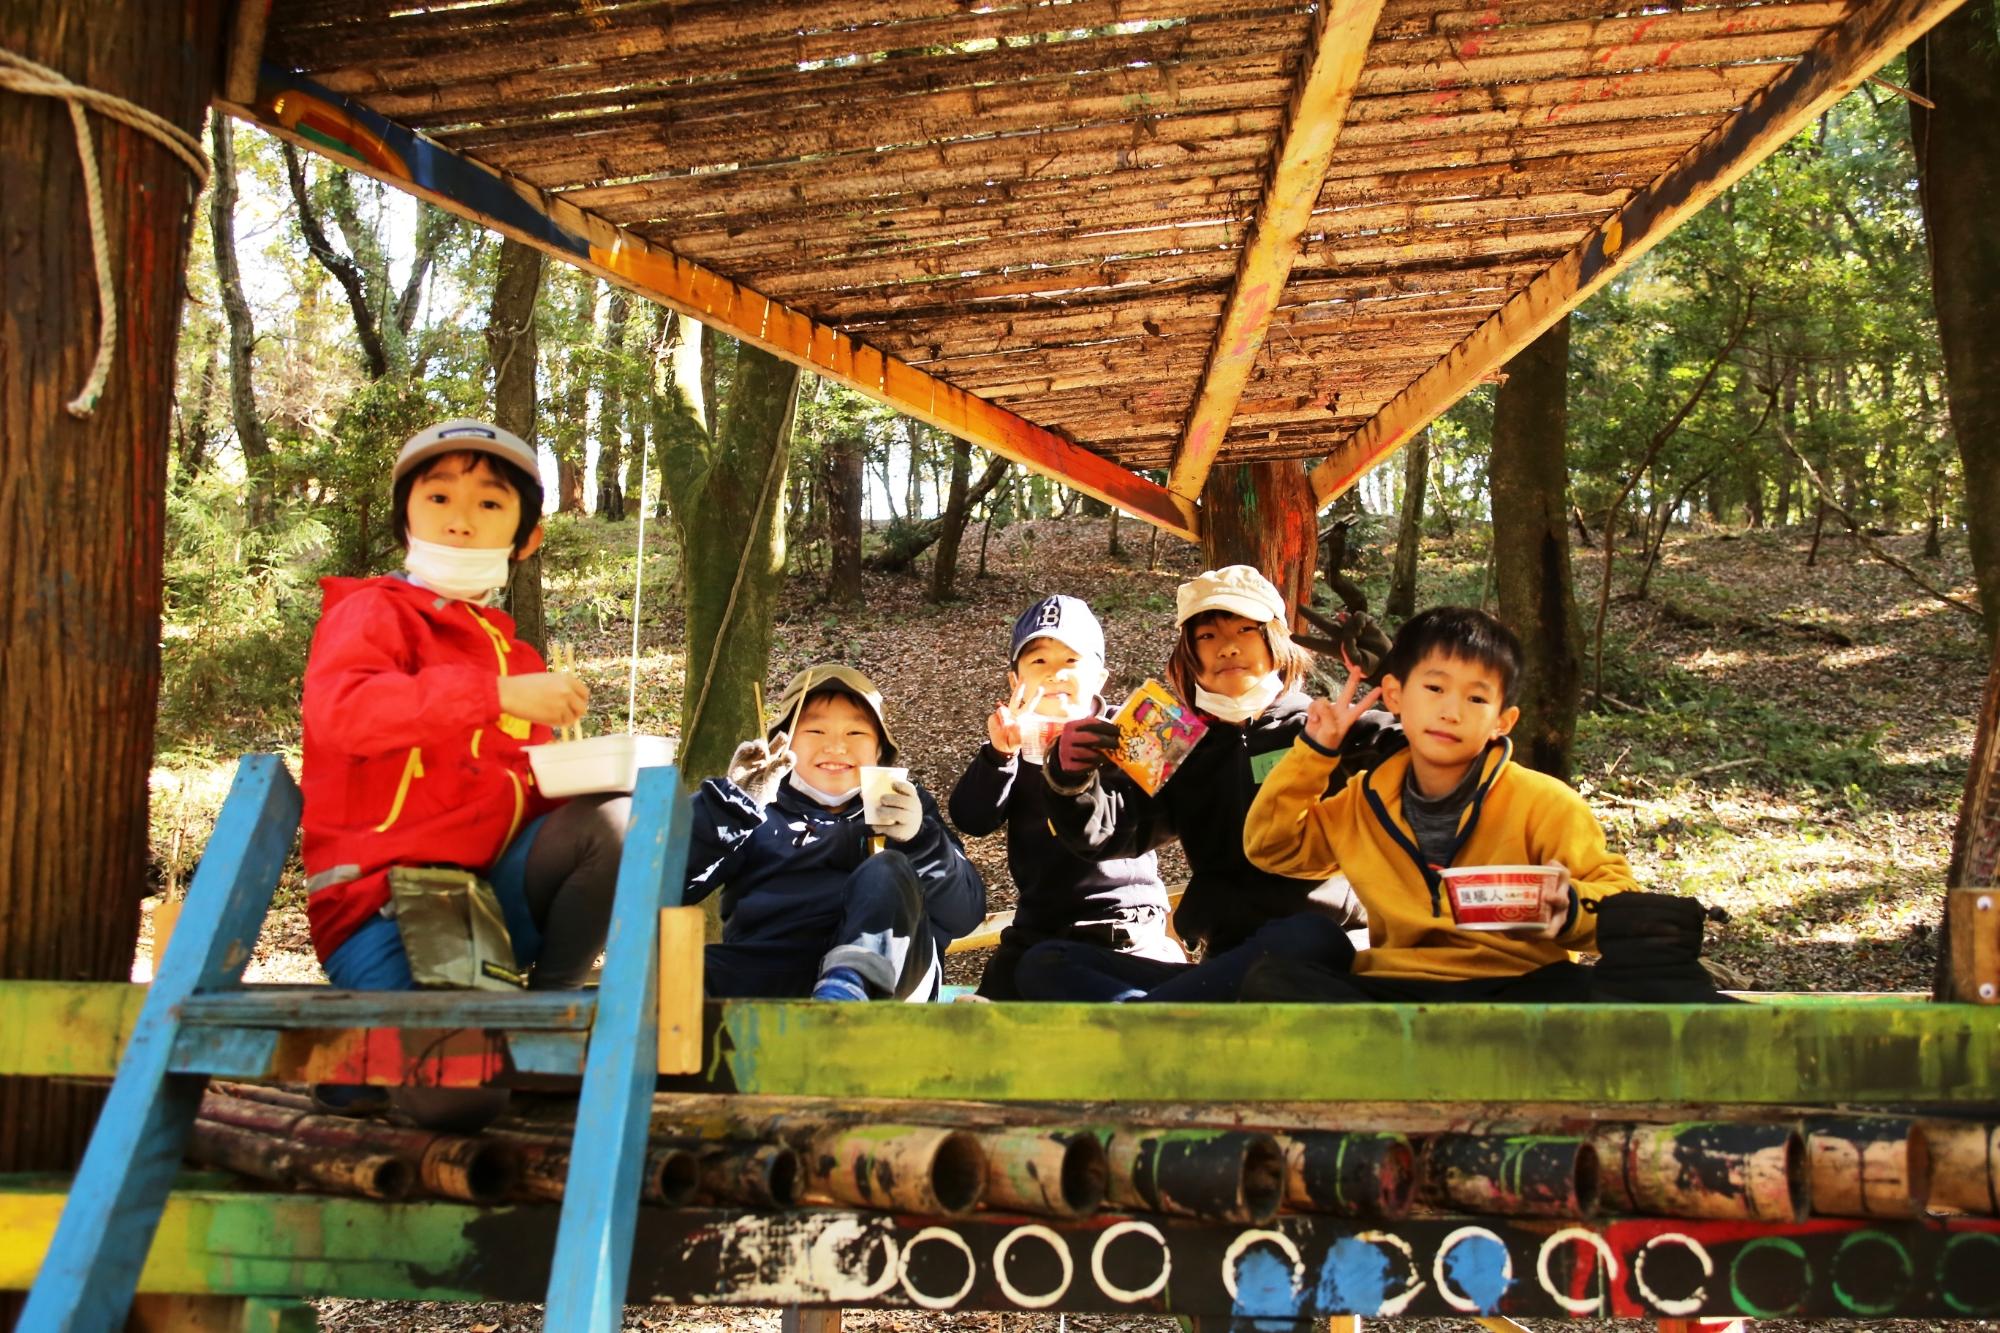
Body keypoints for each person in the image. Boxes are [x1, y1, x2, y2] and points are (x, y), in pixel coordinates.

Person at [301, 419, 627, 1127]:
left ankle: (545, 1013)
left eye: (488, 504)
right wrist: (494, 697)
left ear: (525, 535)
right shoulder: (370, 612)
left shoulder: (518, 658)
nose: (459, 521)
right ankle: (369, 1060)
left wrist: (590, 770)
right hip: (382, 906)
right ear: (405, 520)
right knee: (459, 1102)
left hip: (489, 904)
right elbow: (346, 715)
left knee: (619, 819)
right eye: (439, 498)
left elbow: (528, 800)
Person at [1238, 605, 1641, 1001]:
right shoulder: (1365, 802)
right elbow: (1274, 847)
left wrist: (1570, 907)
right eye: (1435, 688)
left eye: (1477, 699)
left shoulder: (1545, 804)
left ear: (1503, 721)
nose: (1451, 712)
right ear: (1394, 695)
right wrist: (1314, 753)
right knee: (1273, 983)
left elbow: (1624, 905)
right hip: (1397, 987)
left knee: (1594, 992)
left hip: (1519, 986)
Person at [1014, 565, 1370, 1002]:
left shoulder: (1324, 727)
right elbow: (1108, 834)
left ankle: (1156, 1018)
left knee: (1305, 935)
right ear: (1188, 653)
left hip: (1322, 951)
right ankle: (1165, 1018)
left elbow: (1423, 754)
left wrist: (1398, 682)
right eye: (1208, 636)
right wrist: (1071, 780)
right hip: (1223, 963)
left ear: (1276, 642)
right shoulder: (1175, 737)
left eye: (1246, 630)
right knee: (1046, 963)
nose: (1228, 649)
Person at [687, 664, 985, 1001]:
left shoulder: (906, 804)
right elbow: (667, 887)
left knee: (887, 869)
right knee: (681, 975)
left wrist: (920, 839)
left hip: (891, 982)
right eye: (816, 732)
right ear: (782, 745)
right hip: (775, 972)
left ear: (879, 751)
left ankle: (846, 990)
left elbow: (964, 915)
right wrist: (729, 809)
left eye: (855, 734)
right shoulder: (755, 809)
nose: (836, 747)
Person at [949, 596, 1181, 999]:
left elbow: (1177, 810)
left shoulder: (1129, 734)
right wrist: (998, 755)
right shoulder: (1013, 745)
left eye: (1071, 661)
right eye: (1038, 662)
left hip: (1122, 919)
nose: (1055, 674)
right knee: (984, 1018)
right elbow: (972, 818)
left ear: (1100, 677)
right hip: (1039, 924)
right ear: (1014, 681)